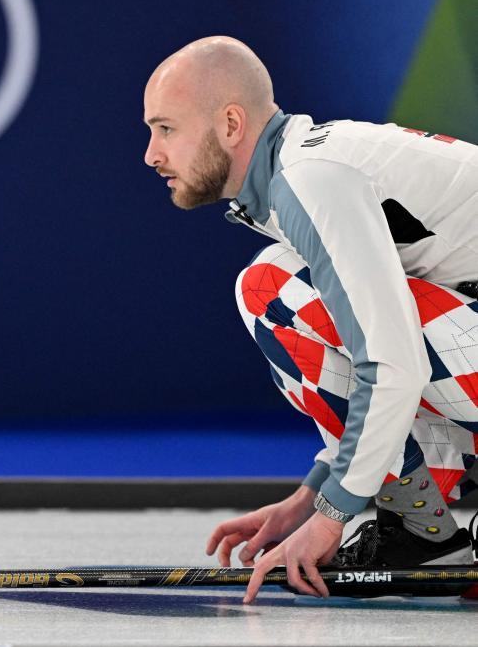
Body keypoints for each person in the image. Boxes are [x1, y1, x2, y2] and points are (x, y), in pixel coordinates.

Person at [142, 36, 478, 604]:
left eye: (166, 129)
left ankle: (420, 531)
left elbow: (391, 364)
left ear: (230, 124)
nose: (151, 154)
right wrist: (312, 495)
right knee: (281, 281)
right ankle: (420, 531)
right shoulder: (306, 169)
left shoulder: (310, 178)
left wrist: (329, 518)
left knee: (271, 289)